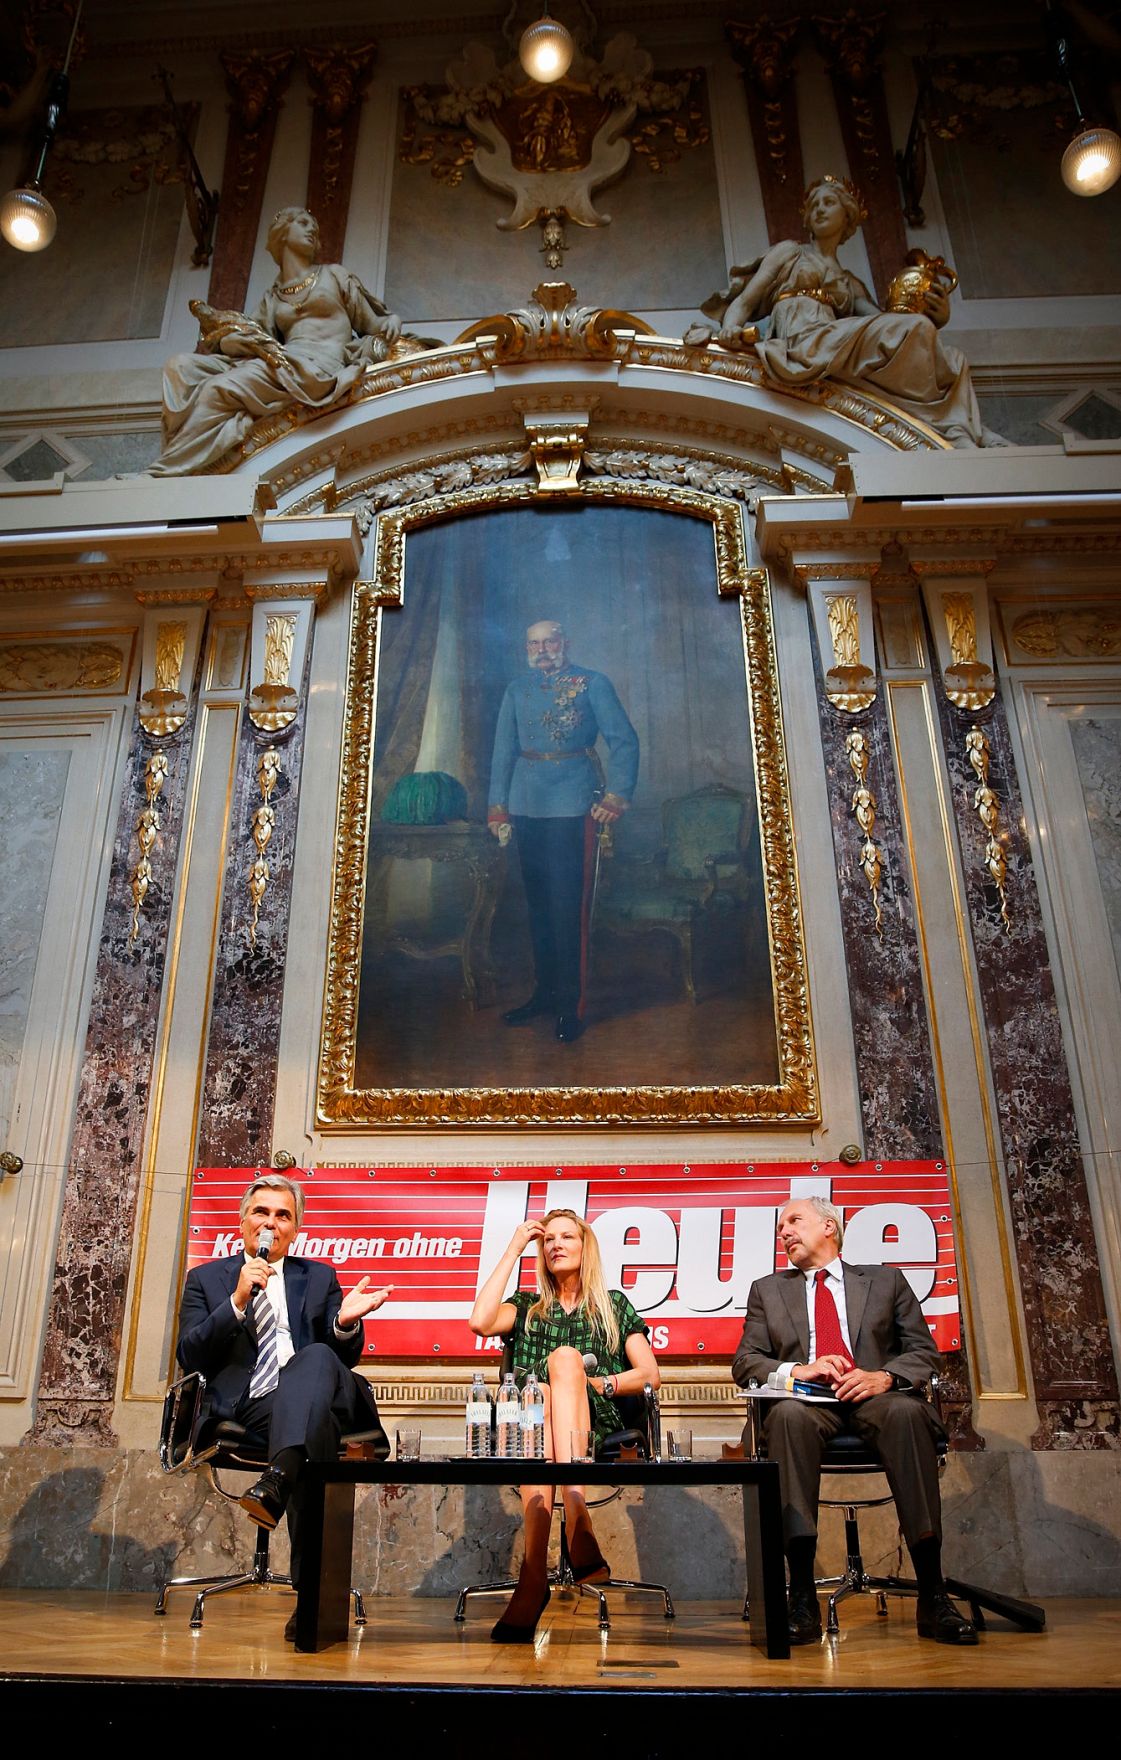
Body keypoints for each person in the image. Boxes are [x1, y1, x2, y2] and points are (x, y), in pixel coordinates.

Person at [732, 1195, 977, 1647]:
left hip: (874, 1397)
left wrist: (884, 1377)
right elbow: (746, 1362)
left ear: (829, 1227)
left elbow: (923, 1352)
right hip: (807, 1403)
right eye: (780, 1227)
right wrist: (798, 1370)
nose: (784, 1232)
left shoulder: (885, 1281)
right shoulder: (767, 1290)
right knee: (786, 1418)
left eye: (794, 1221)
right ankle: (801, 1596)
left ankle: (932, 1593)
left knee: (907, 1413)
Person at [175, 1173, 393, 1637]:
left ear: (295, 1229)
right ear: (242, 1222)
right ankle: (311, 1594)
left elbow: (346, 1359)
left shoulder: (319, 1277)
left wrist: (344, 1325)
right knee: (313, 1436)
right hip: (251, 1405)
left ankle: (276, 1480)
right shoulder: (206, 1280)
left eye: (283, 1215)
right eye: (261, 1212)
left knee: (315, 1356)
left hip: (328, 1392)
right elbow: (190, 1356)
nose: (270, 1222)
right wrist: (236, 1300)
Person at [689, 175, 994, 448]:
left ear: (847, 216)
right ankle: (947, 427)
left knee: (945, 351)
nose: (819, 210)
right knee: (918, 329)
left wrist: (934, 318)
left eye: (828, 203)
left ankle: (956, 430)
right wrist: (730, 328)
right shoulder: (790, 252)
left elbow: (887, 325)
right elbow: (746, 300)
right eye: (814, 206)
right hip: (801, 342)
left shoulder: (850, 283)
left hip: (834, 343)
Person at [469, 1208, 660, 1643]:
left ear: (585, 1245)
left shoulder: (612, 1305)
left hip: (596, 1420)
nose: (556, 1244)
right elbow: (479, 1321)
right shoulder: (526, 1307)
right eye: (548, 1239)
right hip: (531, 1422)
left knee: (566, 1360)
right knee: (542, 1391)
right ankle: (577, 1525)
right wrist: (514, 1248)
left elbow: (650, 1374)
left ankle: (533, 1573)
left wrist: (599, 1382)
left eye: (567, 1237)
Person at [150, 206, 403, 475]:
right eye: (303, 223)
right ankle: (181, 454)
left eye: (314, 227)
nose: (311, 229)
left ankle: (168, 470)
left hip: (318, 367)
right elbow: (246, 338)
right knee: (180, 367)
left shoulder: (334, 275)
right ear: (282, 233)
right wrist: (230, 339)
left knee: (217, 389)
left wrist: (391, 321)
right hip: (282, 360)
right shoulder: (273, 297)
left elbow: (372, 323)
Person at [488, 619, 639, 1042]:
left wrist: (616, 796)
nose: (542, 649)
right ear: (527, 649)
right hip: (525, 804)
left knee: (567, 908)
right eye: (533, 643)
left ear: (565, 643)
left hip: (573, 804)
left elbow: (624, 741)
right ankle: (544, 994)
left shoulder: (593, 683)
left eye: (549, 641)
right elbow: (502, 749)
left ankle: (571, 1006)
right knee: (538, 908)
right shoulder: (516, 689)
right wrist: (498, 808)